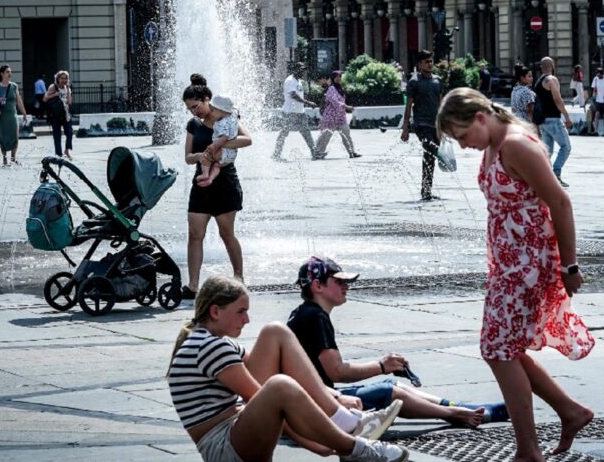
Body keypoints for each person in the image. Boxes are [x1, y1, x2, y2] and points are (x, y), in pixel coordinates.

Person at [436, 88, 596, 458]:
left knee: (497, 349)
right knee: (503, 347)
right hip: (509, 263)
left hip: (529, 264)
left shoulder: (516, 144)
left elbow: (560, 201)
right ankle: (570, 413)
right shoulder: (495, 142)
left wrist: (570, 266)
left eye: (462, 136)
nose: (463, 146)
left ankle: (529, 449)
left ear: (479, 117)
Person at [167, 275, 409, 462]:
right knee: (279, 386)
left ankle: (345, 421)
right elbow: (263, 397)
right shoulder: (209, 347)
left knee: (275, 332)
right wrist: (316, 445)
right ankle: (355, 447)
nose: (247, 319)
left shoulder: (211, 341)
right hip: (224, 449)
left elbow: (279, 366)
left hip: (234, 431)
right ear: (215, 311)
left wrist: (335, 396)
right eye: (241, 311)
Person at [286, 256, 510, 428]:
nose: (346, 286)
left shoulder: (305, 313)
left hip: (317, 396)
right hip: (318, 403)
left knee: (395, 387)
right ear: (317, 286)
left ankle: (458, 406)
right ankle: (457, 415)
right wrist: (383, 366)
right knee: (390, 392)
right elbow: (337, 372)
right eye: (339, 281)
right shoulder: (315, 317)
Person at [181, 74, 252, 298]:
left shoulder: (227, 118)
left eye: (196, 106)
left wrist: (219, 144)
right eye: (189, 108)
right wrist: (202, 154)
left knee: (226, 233)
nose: (194, 112)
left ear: (207, 99)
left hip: (225, 182)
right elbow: (188, 157)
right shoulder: (193, 125)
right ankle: (193, 285)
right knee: (195, 234)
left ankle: (239, 277)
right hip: (201, 183)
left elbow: (247, 140)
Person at [401, 50, 444, 201]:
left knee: (431, 155)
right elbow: (408, 106)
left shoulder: (438, 80)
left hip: (434, 124)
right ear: (419, 64)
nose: (429, 64)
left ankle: (427, 189)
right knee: (429, 150)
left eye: (431, 61)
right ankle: (425, 190)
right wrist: (405, 128)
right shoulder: (414, 82)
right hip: (421, 124)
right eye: (426, 61)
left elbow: (440, 105)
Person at [534, 57, 574, 187]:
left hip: (543, 121)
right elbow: (558, 99)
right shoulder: (551, 80)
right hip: (553, 119)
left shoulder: (539, 82)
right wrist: (567, 117)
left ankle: (540, 176)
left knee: (548, 151)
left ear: (541, 67)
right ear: (552, 66)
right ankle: (555, 174)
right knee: (566, 147)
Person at [273, 62, 319, 161]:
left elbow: (299, 94)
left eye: (303, 69)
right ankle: (276, 154)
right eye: (300, 69)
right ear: (294, 70)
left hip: (299, 112)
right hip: (290, 112)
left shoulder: (298, 81)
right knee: (284, 133)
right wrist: (308, 102)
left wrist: (305, 103)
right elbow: (293, 95)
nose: (302, 71)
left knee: (306, 132)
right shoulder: (290, 80)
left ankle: (314, 152)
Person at [314, 70, 361, 159]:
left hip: (340, 117)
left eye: (340, 76)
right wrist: (346, 106)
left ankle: (352, 152)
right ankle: (318, 153)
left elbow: (340, 101)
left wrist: (345, 107)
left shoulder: (340, 88)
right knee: (325, 136)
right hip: (331, 117)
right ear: (333, 78)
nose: (339, 78)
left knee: (346, 135)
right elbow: (334, 102)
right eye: (336, 76)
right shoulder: (331, 88)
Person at [0, 64, 27, 166]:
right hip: (1, 115)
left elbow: (18, 100)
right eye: (7, 72)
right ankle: (4, 159)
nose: (10, 74)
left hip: (12, 114)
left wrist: (24, 113)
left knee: (15, 136)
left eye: (10, 72)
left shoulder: (14, 86)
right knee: (3, 136)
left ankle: (13, 158)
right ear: (2, 74)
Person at [195, 95, 239, 187]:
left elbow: (224, 137)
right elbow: (234, 109)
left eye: (213, 110)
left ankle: (205, 174)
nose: (211, 113)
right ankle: (210, 179)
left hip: (222, 151)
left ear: (222, 110)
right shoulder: (233, 117)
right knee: (216, 165)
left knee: (206, 157)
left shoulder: (222, 123)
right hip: (231, 154)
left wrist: (214, 146)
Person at [43, 70, 74, 159]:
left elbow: (69, 102)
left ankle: (66, 151)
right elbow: (45, 99)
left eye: (66, 78)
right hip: (55, 114)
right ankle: (59, 154)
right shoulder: (53, 87)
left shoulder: (67, 88)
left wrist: (68, 90)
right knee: (57, 135)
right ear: (58, 79)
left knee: (70, 132)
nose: (64, 80)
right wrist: (55, 95)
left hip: (65, 114)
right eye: (62, 78)